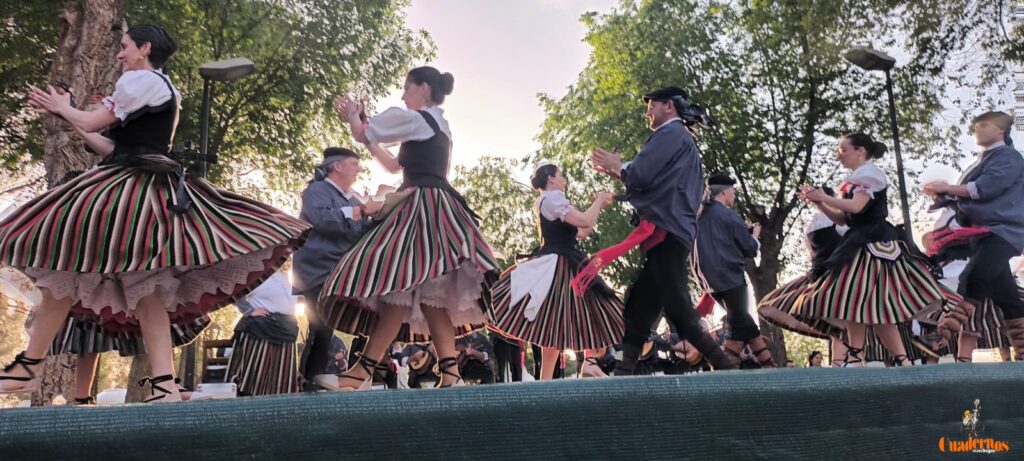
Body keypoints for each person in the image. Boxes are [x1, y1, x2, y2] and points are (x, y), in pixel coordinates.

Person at [1, 25, 309, 401]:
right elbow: (109, 146)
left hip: (130, 188)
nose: (120, 54)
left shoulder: (139, 80)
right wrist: (71, 115)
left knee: (63, 262)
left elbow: (94, 123)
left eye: (125, 47)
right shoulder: (158, 85)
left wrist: (64, 107)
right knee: (143, 289)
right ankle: (162, 385)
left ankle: (29, 367)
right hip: (138, 182)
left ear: (144, 48)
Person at [321, 66, 499, 389]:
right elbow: (392, 164)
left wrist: (355, 118)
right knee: (423, 296)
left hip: (423, 207)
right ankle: (448, 375)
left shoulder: (418, 120)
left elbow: (367, 132)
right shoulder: (438, 125)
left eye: (407, 88)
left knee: (399, 290)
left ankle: (362, 372)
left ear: (424, 89)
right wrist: (367, 133)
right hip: (435, 207)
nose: (403, 95)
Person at [585, 86, 735, 374]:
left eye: (651, 105)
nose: (647, 111)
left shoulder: (670, 133)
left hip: (667, 230)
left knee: (678, 308)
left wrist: (619, 167)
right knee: (640, 304)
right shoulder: (679, 138)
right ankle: (625, 372)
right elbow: (649, 181)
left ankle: (726, 366)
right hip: (668, 230)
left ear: (669, 106)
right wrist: (620, 170)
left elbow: (641, 175)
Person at [791, 133, 958, 367]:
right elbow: (844, 219)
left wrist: (824, 197)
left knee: (863, 300)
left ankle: (871, 356)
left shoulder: (870, 173)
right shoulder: (855, 178)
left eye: (843, 149)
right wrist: (820, 203)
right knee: (859, 302)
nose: (839, 154)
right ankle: (869, 356)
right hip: (858, 240)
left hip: (875, 242)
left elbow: (857, 207)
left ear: (861, 151)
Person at [489, 162, 621, 380]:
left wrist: (598, 206)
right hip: (561, 263)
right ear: (550, 177)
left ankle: (548, 379)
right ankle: (587, 362)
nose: (564, 180)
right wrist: (597, 201)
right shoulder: (553, 198)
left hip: (557, 261)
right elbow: (586, 220)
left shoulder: (546, 201)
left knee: (554, 323)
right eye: (561, 175)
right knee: (594, 303)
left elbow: (583, 231)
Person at [923, 111, 1024, 359]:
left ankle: (942, 333)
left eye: (983, 124)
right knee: (1006, 296)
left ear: (1001, 130)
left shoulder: (1008, 157)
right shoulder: (982, 162)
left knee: (974, 277)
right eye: (976, 126)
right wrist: (947, 198)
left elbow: (986, 188)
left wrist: (948, 188)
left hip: (1003, 231)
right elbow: (967, 199)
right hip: (983, 233)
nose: (977, 129)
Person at [291, 146, 379, 391]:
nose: (358, 170)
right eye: (354, 164)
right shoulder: (315, 191)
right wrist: (361, 211)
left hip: (343, 272)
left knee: (365, 316)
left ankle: (361, 373)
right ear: (337, 166)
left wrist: (377, 213)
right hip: (317, 270)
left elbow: (359, 232)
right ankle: (309, 380)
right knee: (320, 326)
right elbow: (324, 221)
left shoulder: (351, 199)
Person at [692, 174, 774, 368]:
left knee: (743, 320)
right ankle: (725, 366)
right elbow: (749, 249)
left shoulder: (699, 213)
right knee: (737, 322)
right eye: (733, 191)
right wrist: (754, 236)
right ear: (724, 192)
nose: (734, 194)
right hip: (729, 275)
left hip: (706, 279)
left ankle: (769, 365)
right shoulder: (728, 215)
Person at [227, 272, 300, 396]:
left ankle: (276, 410)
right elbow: (231, 291)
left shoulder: (283, 275)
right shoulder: (254, 275)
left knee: (282, 380)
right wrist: (249, 310)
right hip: (261, 330)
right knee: (254, 379)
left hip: (286, 329)